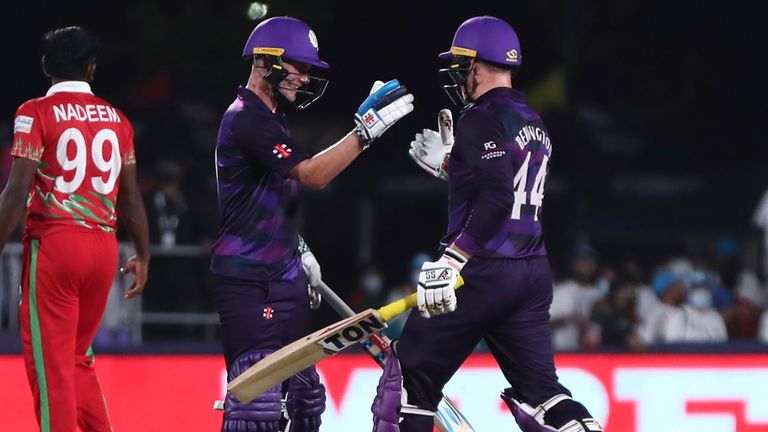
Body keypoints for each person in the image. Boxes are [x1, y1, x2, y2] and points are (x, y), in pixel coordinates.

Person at [372, 16, 603, 432]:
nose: (458, 75)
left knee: (406, 385)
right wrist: (454, 167)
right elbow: (507, 187)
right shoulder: (534, 119)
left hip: (481, 269)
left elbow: (497, 196)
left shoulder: (480, 117)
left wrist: (454, 258)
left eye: (462, 65)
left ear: (476, 66)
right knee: (543, 393)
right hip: (531, 269)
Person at [209, 16, 414, 432]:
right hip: (250, 282)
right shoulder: (245, 117)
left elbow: (265, 199)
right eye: (299, 67)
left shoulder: (270, 118)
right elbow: (313, 176)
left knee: (304, 400)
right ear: (266, 62)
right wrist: (366, 132)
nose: (304, 78)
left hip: (284, 276)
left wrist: (297, 246)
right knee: (257, 408)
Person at [0, 26, 150, 431]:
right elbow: (132, 198)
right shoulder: (117, 120)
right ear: (92, 69)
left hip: (55, 245)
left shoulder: (34, 113)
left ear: (46, 65)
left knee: (52, 370)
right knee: (77, 359)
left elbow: (15, 195)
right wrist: (144, 255)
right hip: (103, 247)